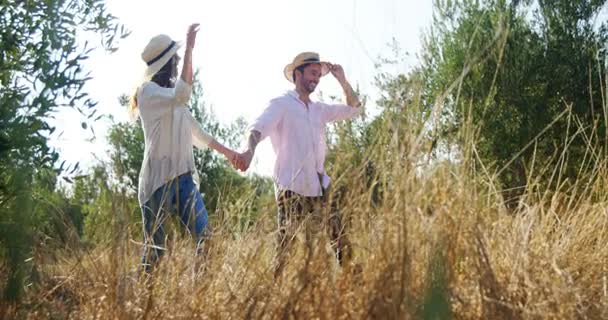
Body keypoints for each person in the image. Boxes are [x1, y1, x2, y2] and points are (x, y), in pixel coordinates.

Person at [234, 52, 362, 276]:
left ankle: (355, 284)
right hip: (290, 187)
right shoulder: (282, 104)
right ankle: (273, 288)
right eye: (313, 73)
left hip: (319, 185)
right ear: (297, 74)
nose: (316, 78)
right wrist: (248, 151)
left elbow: (354, 109)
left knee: (339, 237)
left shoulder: (319, 110)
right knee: (286, 243)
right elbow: (257, 128)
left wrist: (342, 79)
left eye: (319, 75)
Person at [129, 24, 238, 272]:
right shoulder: (148, 93)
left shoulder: (173, 101)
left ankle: (198, 295)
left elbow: (200, 135)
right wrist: (189, 48)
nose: (178, 62)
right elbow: (183, 93)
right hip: (157, 182)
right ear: (166, 63)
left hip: (183, 179)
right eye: (175, 58)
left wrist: (232, 155)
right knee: (157, 253)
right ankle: (142, 303)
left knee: (206, 239)